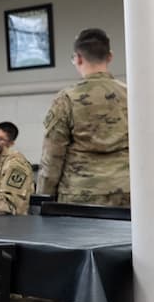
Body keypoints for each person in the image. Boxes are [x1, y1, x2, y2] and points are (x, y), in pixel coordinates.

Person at [38, 28, 129, 205]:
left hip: (80, 195)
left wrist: (43, 199)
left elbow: (53, 157)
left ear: (78, 58)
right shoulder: (132, 94)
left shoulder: (66, 99)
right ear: (110, 57)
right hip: (129, 190)